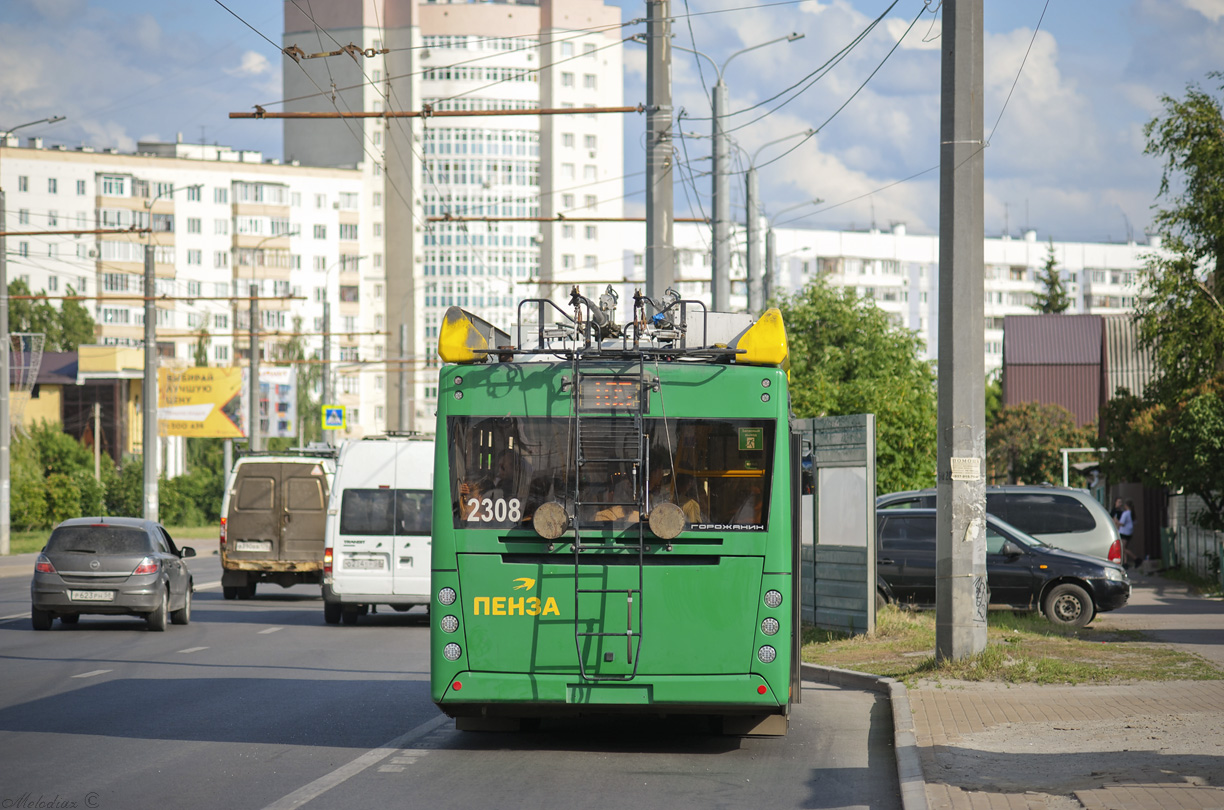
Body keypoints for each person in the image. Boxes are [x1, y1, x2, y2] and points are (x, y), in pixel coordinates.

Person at [1118, 499, 1138, 569]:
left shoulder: (1125, 513)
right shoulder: (1132, 513)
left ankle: (1136, 558)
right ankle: (1125, 563)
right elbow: (1135, 522)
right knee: (1124, 548)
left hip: (1124, 532)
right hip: (1129, 532)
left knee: (1123, 548)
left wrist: (1116, 521)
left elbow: (1122, 523)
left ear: (1126, 506)